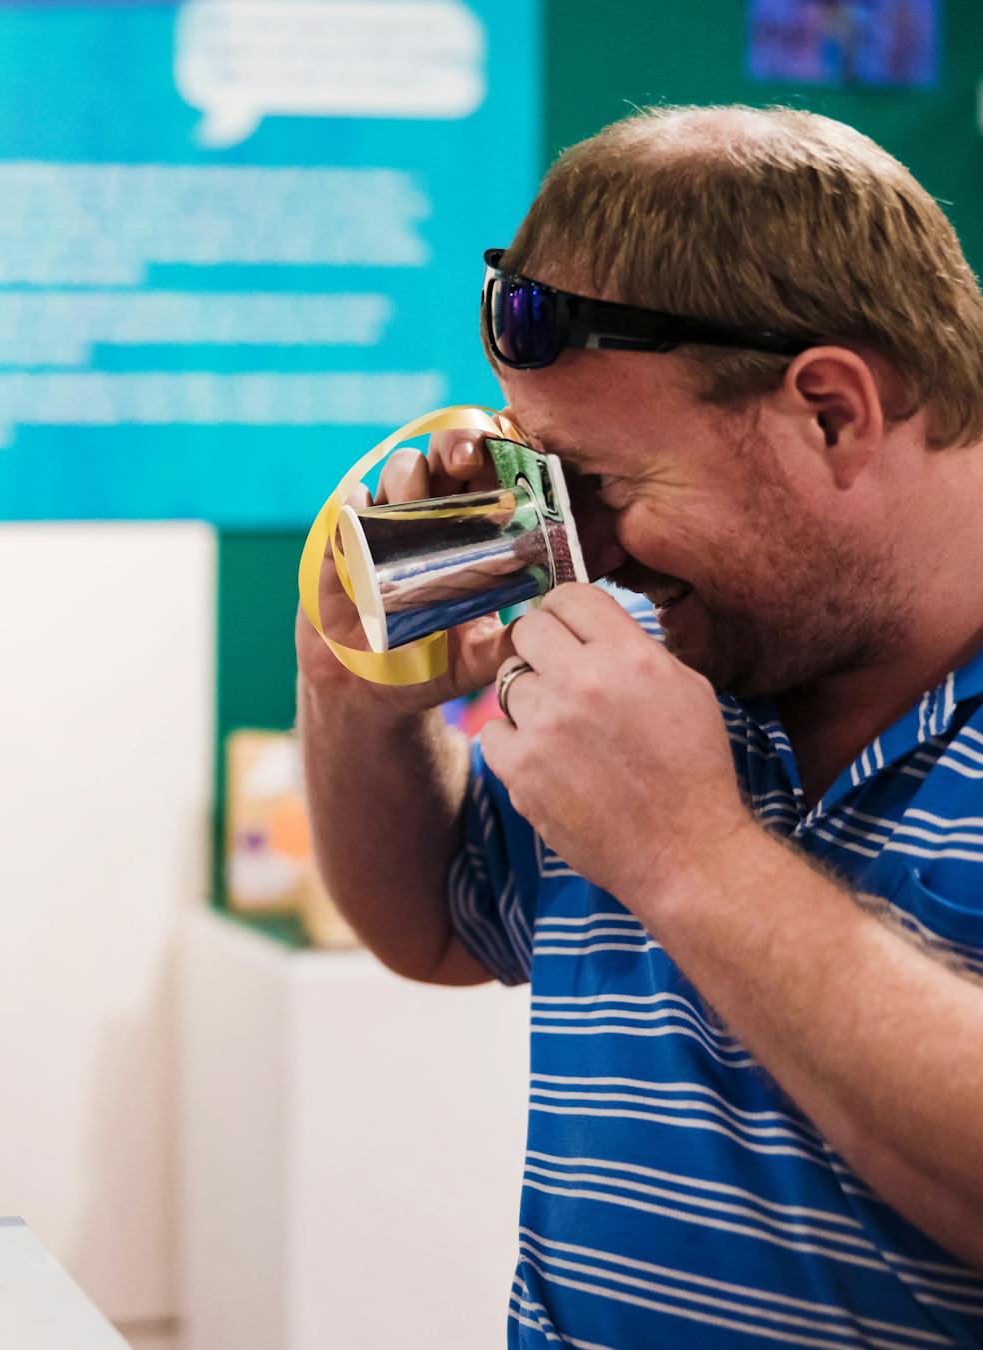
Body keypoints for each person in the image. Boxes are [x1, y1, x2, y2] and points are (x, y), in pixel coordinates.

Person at [299, 105, 983, 1345]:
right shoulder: (680, 653)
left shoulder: (670, 709)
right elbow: (438, 931)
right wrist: (356, 692)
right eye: (547, 488)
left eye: (605, 486)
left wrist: (691, 858)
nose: (584, 554)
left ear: (831, 411)